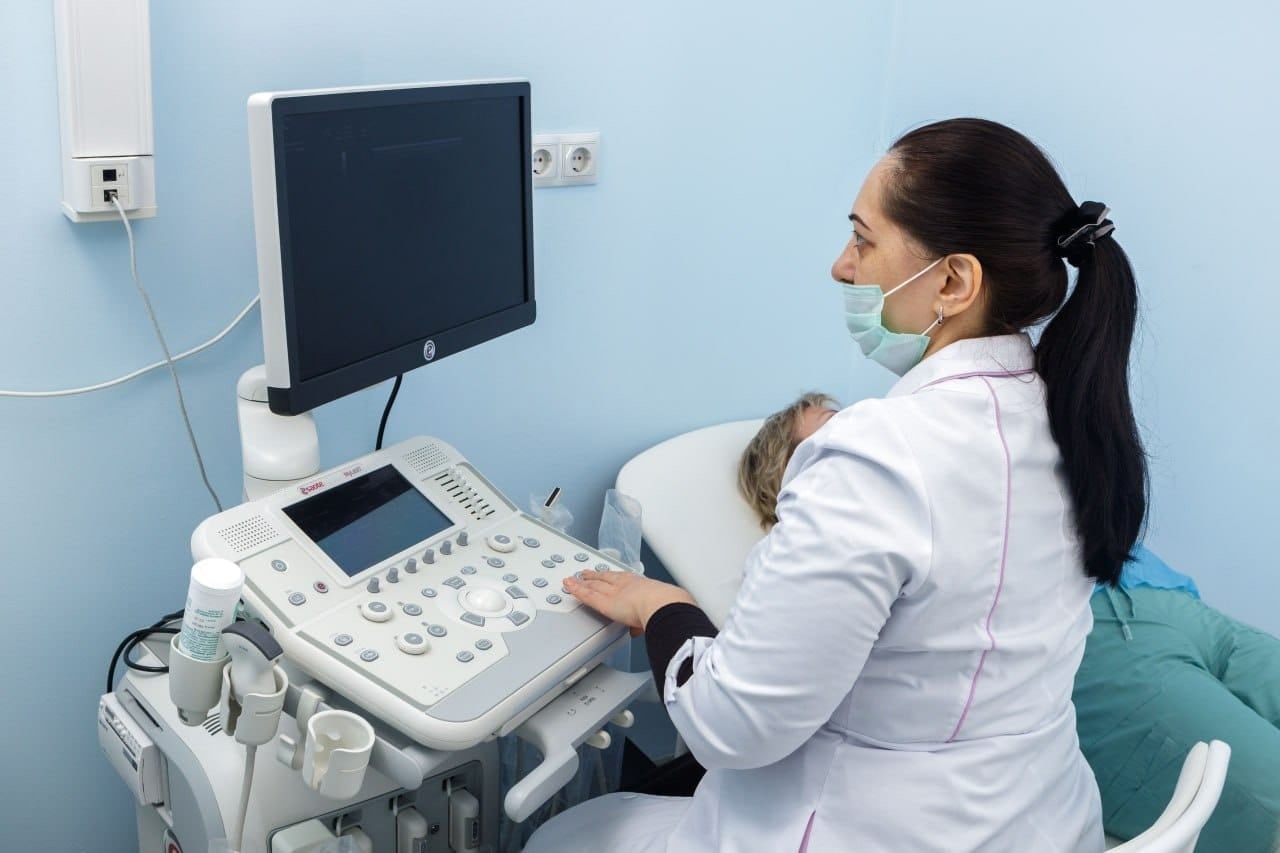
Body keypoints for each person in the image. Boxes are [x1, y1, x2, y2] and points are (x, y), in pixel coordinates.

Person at [526, 117, 1147, 852]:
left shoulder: (878, 454)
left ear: (953, 281)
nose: (842, 267)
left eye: (863, 239)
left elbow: (732, 726)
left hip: (876, 829)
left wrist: (664, 607)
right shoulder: (1067, 419)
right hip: (1042, 822)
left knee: (563, 835)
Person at [741, 394, 1280, 851]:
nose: (857, 432)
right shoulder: (833, 546)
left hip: (1167, 597)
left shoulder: (939, 460)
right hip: (1098, 653)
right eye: (830, 433)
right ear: (790, 483)